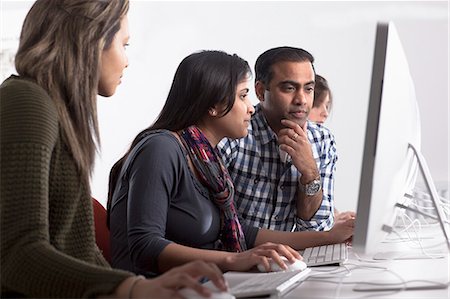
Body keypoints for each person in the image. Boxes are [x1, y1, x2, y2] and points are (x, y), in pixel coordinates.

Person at [0, 1, 227, 298]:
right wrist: (132, 287)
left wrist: (144, 288)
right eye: (124, 44)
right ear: (91, 39)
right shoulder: (27, 101)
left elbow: (80, 251)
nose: (127, 60)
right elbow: (16, 254)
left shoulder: (58, 113)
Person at [107, 50, 354, 277]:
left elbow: (242, 231)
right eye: (243, 96)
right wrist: (236, 259)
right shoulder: (161, 149)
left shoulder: (205, 159)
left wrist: (328, 237)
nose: (250, 109)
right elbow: (145, 247)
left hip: (202, 284)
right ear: (214, 106)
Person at [218, 46, 340, 233]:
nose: (302, 99)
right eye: (289, 88)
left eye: (308, 89)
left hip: (286, 258)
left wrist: (310, 173)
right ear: (260, 91)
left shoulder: (323, 141)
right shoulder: (234, 134)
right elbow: (213, 224)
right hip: (234, 257)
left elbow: (316, 230)